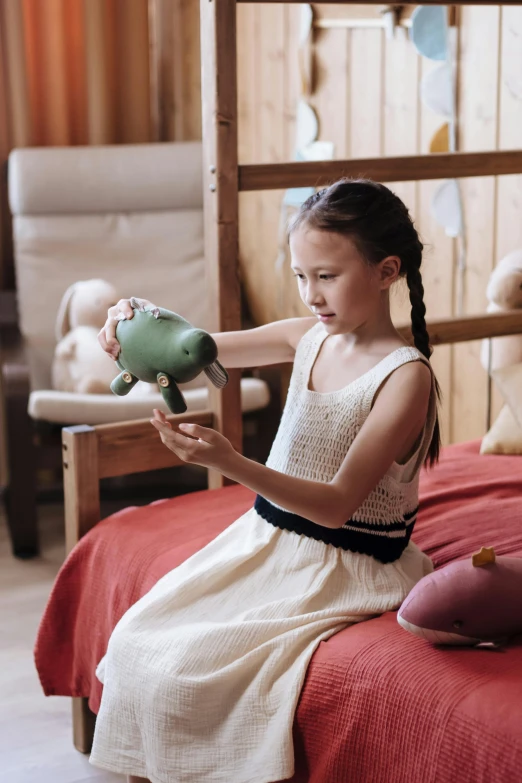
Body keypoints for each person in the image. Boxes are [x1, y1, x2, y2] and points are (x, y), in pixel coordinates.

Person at [92, 178, 440, 783]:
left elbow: (335, 509)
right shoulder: (304, 338)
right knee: (134, 642)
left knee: (182, 675)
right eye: (301, 276)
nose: (310, 294)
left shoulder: (405, 379)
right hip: (269, 539)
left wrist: (231, 464)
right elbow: (185, 349)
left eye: (326, 276)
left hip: (343, 563)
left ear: (387, 271)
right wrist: (128, 327)